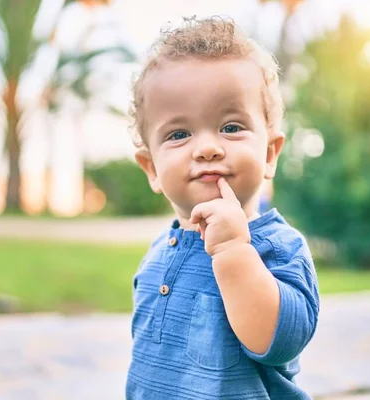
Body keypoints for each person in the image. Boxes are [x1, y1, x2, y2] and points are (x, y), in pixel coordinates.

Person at [126, 16, 320, 400]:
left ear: (268, 154)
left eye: (231, 127)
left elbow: (282, 342)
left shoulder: (279, 247)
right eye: (179, 134)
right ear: (151, 168)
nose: (208, 147)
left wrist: (233, 251)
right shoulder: (156, 256)